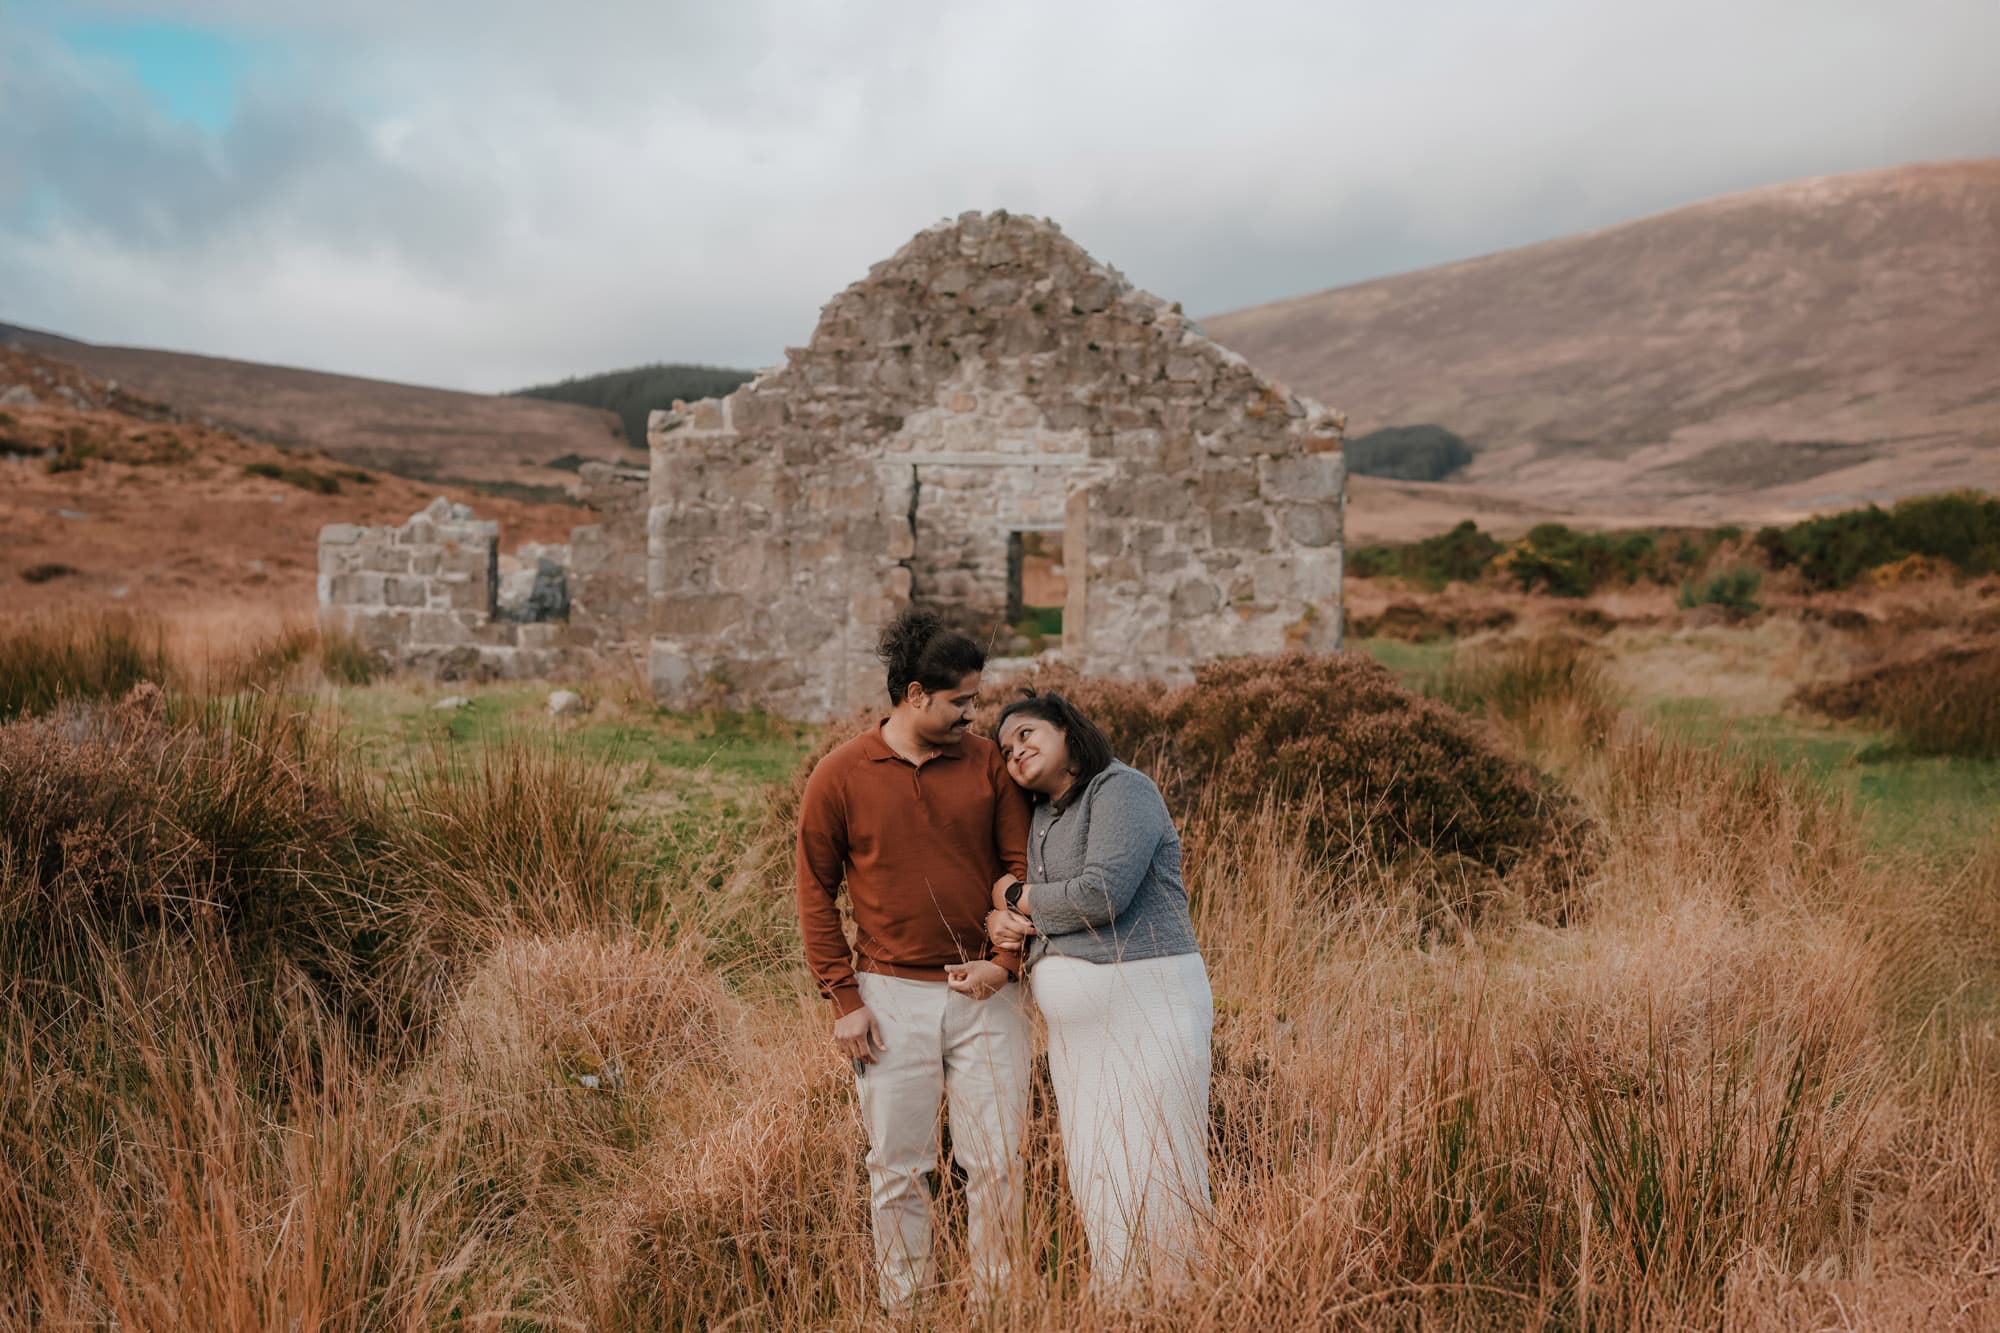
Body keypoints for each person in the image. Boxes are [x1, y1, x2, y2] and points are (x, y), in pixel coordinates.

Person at [795, 608, 1033, 1311]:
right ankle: (909, 1312)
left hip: (990, 995)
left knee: (999, 1164)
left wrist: (1004, 963)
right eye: (961, 700)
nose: (974, 713)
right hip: (888, 997)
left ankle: (999, 1311)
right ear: (916, 694)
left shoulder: (987, 762)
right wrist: (845, 1000)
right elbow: (815, 890)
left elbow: (1020, 866)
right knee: (898, 1169)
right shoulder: (839, 774)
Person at [985, 690, 1213, 1295]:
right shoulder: (1042, 814)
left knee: (1156, 1154)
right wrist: (1005, 923)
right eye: (1007, 750)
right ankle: (1121, 1295)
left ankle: (1178, 1294)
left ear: (1066, 729)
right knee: (1097, 1163)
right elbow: (1046, 911)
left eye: (1028, 734)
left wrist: (1013, 898)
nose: (1018, 752)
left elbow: (1099, 895)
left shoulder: (1122, 789)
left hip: (1151, 1000)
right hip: (1079, 1035)